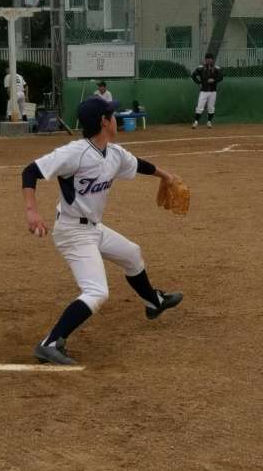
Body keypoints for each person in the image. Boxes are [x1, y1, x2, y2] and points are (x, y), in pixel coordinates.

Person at [22, 96, 183, 365]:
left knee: (132, 254)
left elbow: (139, 164)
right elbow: (30, 172)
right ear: (104, 122)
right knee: (97, 292)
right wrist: (32, 211)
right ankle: (50, 343)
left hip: (94, 228)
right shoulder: (75, 153)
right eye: (112, 115)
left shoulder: (114, 153)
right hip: (72, 232)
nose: (116, 118)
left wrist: (166, 176)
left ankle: (154, 302)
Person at [191, 52, 223, 129]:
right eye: (207, 59)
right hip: (203, 91)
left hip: (213, 91)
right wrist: (199, 83)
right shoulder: (201, 68)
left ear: (213, 60)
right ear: (205, 60)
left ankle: (209, 122)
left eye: (210, 59)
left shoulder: (216, 68)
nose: (209, 60)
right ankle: (196, 122)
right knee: (200, 107)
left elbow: (221, 77)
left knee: (211, 107)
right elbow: (193, 75)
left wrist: (214, 80)